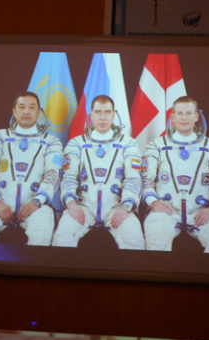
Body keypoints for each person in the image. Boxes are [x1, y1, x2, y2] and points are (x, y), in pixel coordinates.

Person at [141, 96, 209, 253]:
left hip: (200, 212)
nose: (184, 118)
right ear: (172, 117)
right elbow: (146, 181)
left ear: (196, 116)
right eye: (179, 113)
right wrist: (153, 202)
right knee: (156, 240)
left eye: (189, 113)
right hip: (166, 212)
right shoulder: (157, 146)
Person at [0, 91, 63, 244]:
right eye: (22, 107)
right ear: (14, 111)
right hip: (0, 203)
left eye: (32, 107)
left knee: (42, 232)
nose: (26, 111)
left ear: (39, 112)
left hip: (35, 205)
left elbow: (53, 173)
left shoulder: (52, 142)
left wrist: (37, 201)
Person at [52, 95, 145, 249]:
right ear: (91, 114)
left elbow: (133, 178)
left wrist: (126, 207)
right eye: (98, 112)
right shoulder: (76, 143)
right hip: (83, 206)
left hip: (117, 207)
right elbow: (68, 178)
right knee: (62, 236)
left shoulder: (128, 144)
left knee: (134, 239)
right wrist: (71, 204)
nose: (102, 117)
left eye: (107, 112)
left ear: (114, 114)